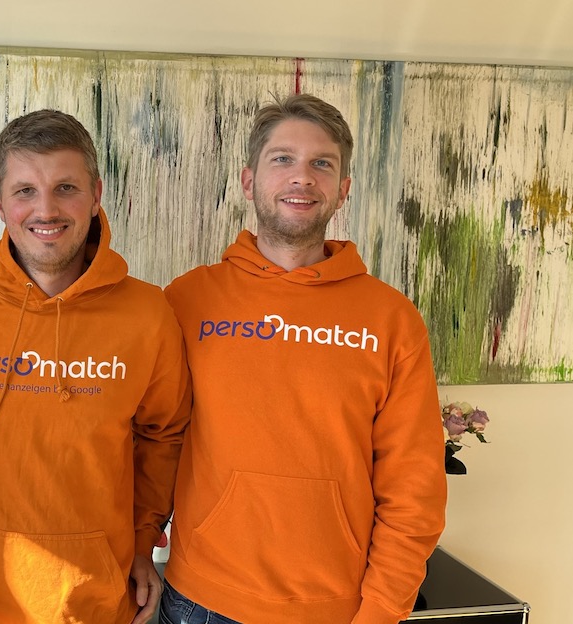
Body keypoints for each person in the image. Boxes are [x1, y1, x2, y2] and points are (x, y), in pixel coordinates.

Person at [160, 94, 447, 624]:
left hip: (336, 609)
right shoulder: (187, 301)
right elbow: (149, 437)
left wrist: (383, 609)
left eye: (322, 163)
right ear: (249, 181)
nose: (302, 177)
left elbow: (415, 485)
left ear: (343, 190)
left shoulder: (391, 319)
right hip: (201, 600)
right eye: (283, 159)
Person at [0, 109, 191, 624]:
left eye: (66, 188)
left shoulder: (148, 316)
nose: (46, 209)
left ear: (96, 195)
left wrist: (143, 538)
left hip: (92, 601)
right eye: (25, 191)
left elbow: (164, 434)